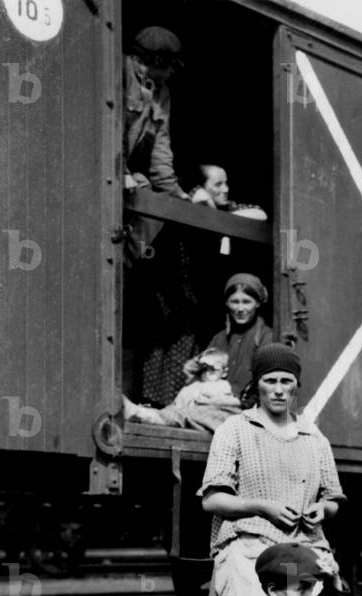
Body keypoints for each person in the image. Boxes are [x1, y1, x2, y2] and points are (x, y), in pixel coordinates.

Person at [197, 343, 347, 596]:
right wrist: (263, 506)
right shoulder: (235, 430)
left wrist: (320, 510)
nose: (278, 389)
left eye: (286, 381)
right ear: (257, 384)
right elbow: (212, 500)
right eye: (269, 380)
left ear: (296, 386)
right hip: (253, 552)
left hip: (305, 556)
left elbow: (333, 500)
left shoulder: (314, 437)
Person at [123, 27, 189, 265]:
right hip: (102, 167)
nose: (172, 71)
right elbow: (107, 124)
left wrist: (174, 193)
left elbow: (161, 145)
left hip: (128, 174)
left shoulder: (162, 93)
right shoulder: (119, 71)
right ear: (156, 60)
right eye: (170, 65)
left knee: (156, 205)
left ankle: (124, 262)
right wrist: (119, 170)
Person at [183, 273, 274, 404]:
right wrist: (194, 371)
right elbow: (202, 374)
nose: (240, 308)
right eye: (235, 302)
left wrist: (234, 402)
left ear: (258, 303)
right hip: (210, 402)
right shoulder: (219, 339)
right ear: (227, 303)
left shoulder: (266, 337)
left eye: (247, 302)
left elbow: (267, 385)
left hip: (243, 407)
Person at [123, 350, 240, 431]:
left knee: (179, 415)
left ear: (224, 372)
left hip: (200, 416)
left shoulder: (222, 386)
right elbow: (178, 403)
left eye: (213, 369)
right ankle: (144, 413)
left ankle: (142, 414)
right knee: (171, 411)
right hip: (182, 415)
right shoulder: (193, 386)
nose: (207, 373)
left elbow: (227, 403)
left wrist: (207, 401)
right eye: (204, 369)